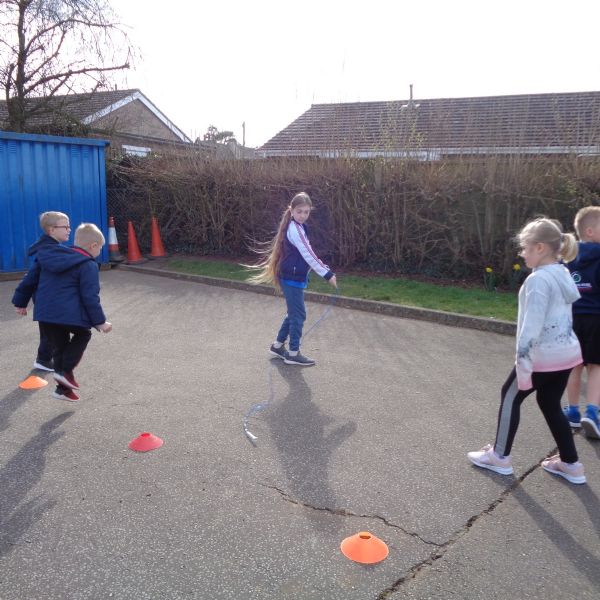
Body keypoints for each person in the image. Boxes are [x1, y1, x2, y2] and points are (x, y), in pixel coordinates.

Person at [468, 218, 586, 484]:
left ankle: (499, 457)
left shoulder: (538, 281)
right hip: (566, 355)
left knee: (510, 396)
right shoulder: (562, 273)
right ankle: (571, 464)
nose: (522, 253)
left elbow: (531, 328)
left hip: (542, 358)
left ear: (540, 247)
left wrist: (523, 365)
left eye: (525, 248)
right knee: (550, 403)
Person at [248, 192, 337, 366]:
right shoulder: (295, 229)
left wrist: (325, 268)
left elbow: (308, 253)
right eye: (299, 211)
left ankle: (277, 346)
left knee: (293, 314)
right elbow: (308, 254)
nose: (303, 215)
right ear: (292, 210)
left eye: (306, 212)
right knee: (299, 315)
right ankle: (293, 353)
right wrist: (327, 274)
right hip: (291, 279)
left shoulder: (299, 227)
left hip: (293, 277)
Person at [29, 223, 112, 401]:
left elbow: (33, 280)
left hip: (45, 314)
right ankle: (65, 372)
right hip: (66, 314)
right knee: (83, 334)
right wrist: (100, 321)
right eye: (100, 248)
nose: (100, 251)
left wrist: (21, 302)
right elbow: (90, 297)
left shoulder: (57, 257)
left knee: (60, 347)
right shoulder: (88, 264)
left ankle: (62, 390)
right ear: (93, 246)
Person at [12, 211, 72, 371]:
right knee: (51, 331)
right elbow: (30, 278)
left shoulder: (52, 249)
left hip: (50, 298)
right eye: (65, 227)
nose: (69, 230)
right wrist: (20, 302)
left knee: (52, 330)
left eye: (69, 226)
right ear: (52, 230)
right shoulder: (47, 252)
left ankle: (47, 358)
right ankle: (44, 360)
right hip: (46, 299)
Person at [563, 206, 600, 438]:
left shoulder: (568, 256)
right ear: (590, 231)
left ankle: (574, 410)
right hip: (597, 318)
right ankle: (593, 412)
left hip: (572, 318)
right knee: (596, 366)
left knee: (574, 366)